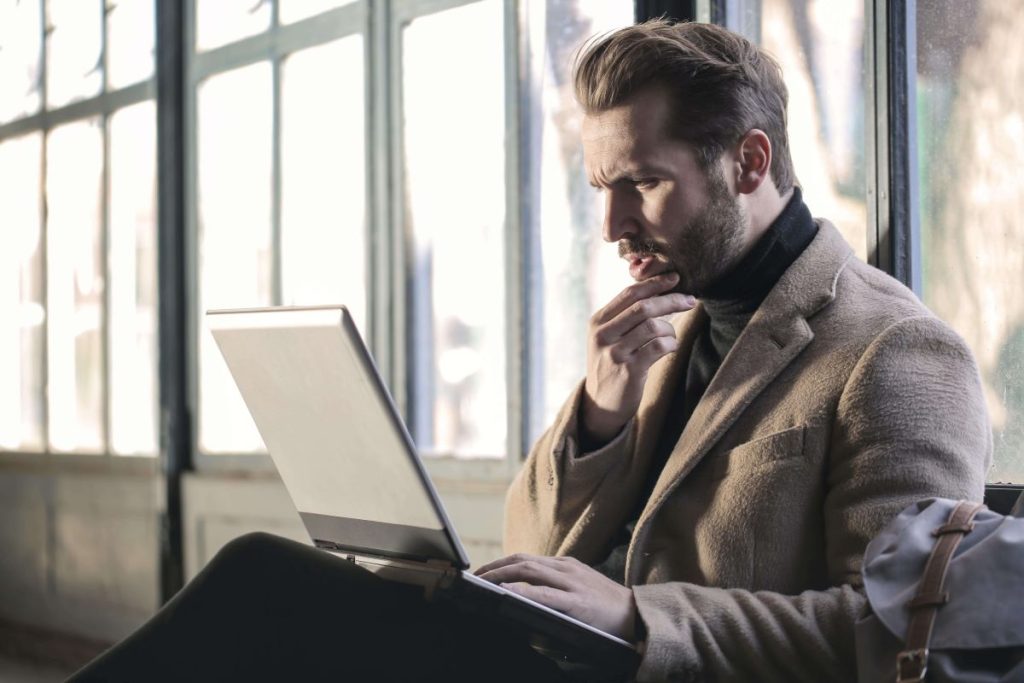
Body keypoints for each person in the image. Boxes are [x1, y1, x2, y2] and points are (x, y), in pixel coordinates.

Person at [69, 19, 990, 683]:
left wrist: (636, 617)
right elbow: (531, 548)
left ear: (749, 164)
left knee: (268, 595)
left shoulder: (896, 351)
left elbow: (896, 634)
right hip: (546, 657)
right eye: (601, 187)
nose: (612, 225)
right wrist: (597, 415)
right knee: (268, 580)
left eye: (642, 183)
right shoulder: (663, 321)